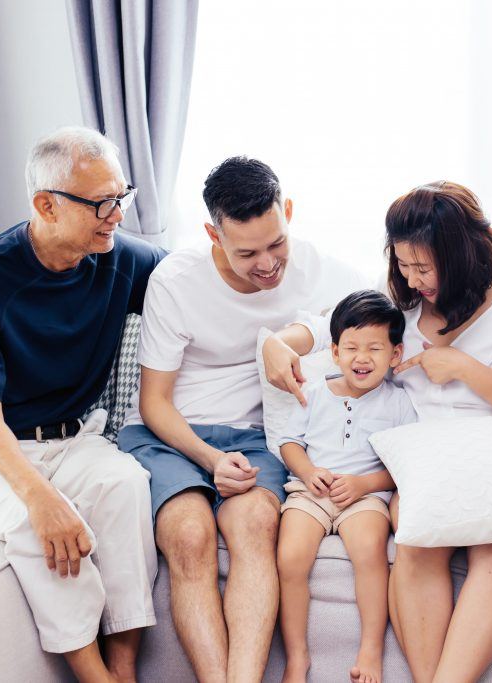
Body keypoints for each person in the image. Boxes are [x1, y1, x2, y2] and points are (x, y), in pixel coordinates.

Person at [263, 181, 492, 682]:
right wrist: (279, 342)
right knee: (415, 534)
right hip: (424, 466)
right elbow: (331, 328)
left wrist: (464, 368)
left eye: (424, 267)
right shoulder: (402, 299)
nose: (413, 278)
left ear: (464, 254)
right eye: (403, 265)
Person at [0, 127, 164, 682]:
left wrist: (291, 328)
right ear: (46, 205)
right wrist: (42, 497)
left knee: (127, 487)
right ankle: (93, 677)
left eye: (121, 196)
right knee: (40, 525)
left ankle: (124, 667)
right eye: (102, 202)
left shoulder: (120, 258)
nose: (117, 214)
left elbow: (198, 281)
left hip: (73, 439)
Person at [115, 157, 368, 682]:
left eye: (276, 243)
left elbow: (379, 315)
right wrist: (208, 458)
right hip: (176, 436)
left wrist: (284, 339)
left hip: (258, 438)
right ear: (213, 233)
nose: (268, 263)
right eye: (247, 252)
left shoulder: (316, 267)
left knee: (253, 524)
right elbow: (154, 402)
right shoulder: (177, 280)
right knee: (188, 533)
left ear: (288, 213)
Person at [276, 290, 417, 683]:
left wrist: (363, 484)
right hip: (311, 493)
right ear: (335, 352)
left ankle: (370, 650)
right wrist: (306, 473)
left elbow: (405, 464)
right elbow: (290, 442)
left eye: (375, 348)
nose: (362, 357)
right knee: (290, 556)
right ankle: (296, 656)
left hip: (366, 496)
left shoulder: (399, 403)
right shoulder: (315, 392)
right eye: (351, 347)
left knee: (370, 552)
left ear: (395, 354)